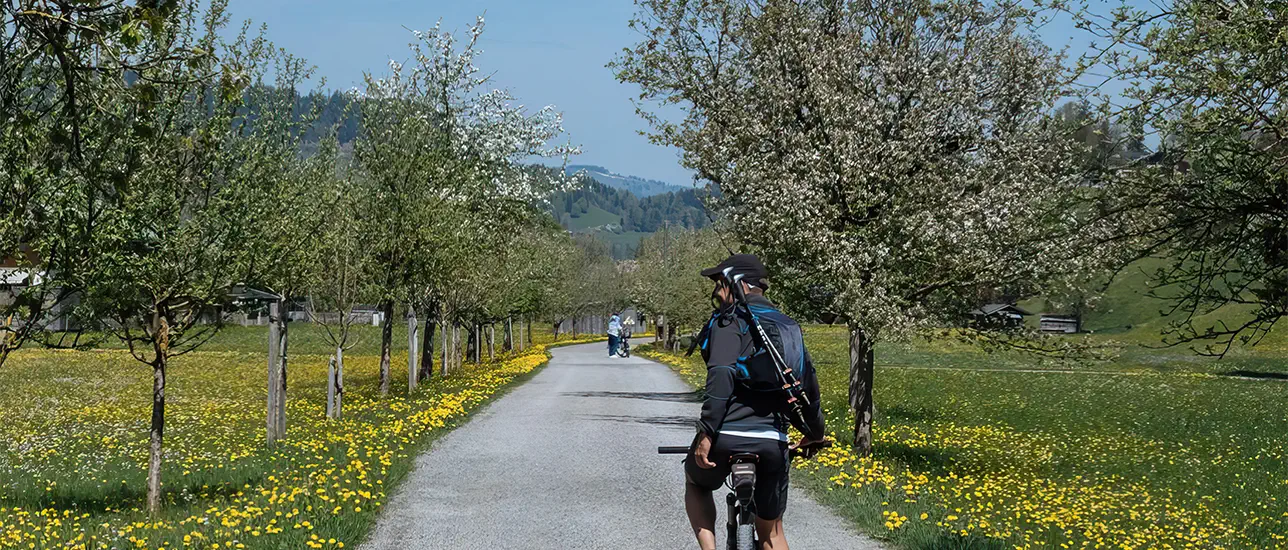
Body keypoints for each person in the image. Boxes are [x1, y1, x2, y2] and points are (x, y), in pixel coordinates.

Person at [683, 254, 827, 550]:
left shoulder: (730, 321)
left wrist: (707, 431)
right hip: (772, 441)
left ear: (737, 284)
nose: (716, 292)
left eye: (719, 284)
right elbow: (808, 387)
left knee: (696, 483)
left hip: (726, 437)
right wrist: (815, 433)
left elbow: (722, 373)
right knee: (772, 533)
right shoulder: (789, 327)